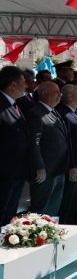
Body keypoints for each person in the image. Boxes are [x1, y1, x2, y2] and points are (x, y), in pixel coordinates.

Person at [27, 82, 68, 216]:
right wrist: (39, 166)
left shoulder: (54, 111)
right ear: (44, 94)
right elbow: (34, 142)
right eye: (56, 92)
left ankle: (50, 235)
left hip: (58, 169)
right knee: (40, 210)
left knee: (53, 210)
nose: (60, 95)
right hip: (46, 171)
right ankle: (39, 236)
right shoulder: (36, 113)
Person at [0, 66, 30, 225]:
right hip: (4, 173)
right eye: (23, 82)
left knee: (9, 214)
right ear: (12, 85)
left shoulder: (15, 105)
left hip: (16, 172)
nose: (26, 86)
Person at [56, 85, 77, 225]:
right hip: (72, 165)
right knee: (68, 201)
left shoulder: (75, 113)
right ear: (69, 97)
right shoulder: (64, 114)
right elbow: (68, 143)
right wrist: (72, 165)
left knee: (76, 199)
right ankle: (66, 226)